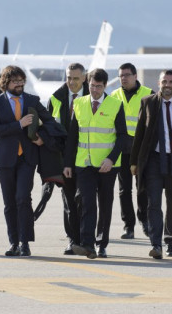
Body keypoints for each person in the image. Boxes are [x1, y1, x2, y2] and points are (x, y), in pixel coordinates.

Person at [0, 65, 57, 257]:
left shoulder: (32, 100)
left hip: (27, 158)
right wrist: (19, 124)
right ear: (5, 82)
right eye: (15, 81)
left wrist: (42, 137)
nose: (19, 85)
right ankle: (13, 242)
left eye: (21, 81)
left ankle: (25, 242)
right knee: (9, 202)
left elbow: (50, 122)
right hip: (5, 159)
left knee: (23, 198)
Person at [130, 70, 172, 259]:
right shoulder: (148, 102)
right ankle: (156, 244)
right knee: (153, 204)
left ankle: (170, 242)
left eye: (171, 81)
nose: (168, 85)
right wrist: (134, 161)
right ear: (159, 83)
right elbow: (140, 133)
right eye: (164, 81)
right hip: (154, 160)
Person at [64, 68, 128, 259]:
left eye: (99, 87)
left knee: (105, 205)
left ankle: (102, 244)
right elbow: (73, 137)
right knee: (87, 203)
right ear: (87, 84)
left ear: (105, 86)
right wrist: (68, 163)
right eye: (92, 86)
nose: (95, 90)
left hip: (107, 165)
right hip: (84, 164)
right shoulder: (79, 103)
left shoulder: (115, 105)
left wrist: (111, 159)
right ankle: (87, 244)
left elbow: (123, 136)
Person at [45, 63, 89, 255]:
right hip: (65, 161)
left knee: (87, 201)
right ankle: (73, 240)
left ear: (85, 78)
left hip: (89, 159)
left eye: (76, 78)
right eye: (69, 78)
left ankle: (90, 240)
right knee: (69, 202)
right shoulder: (56, 98)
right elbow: (47, 128)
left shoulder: (95, 96)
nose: (71, 82)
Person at [110, 63, 153, 239]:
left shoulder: (149, 94)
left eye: (127, 75)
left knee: (142, 187)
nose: (124, 78)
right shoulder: (113, 96)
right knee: (124, 190)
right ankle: (129, 225)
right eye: (121, 75)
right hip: (121, 148)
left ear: (135, 76)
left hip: (141, 148)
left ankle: (144, 219)